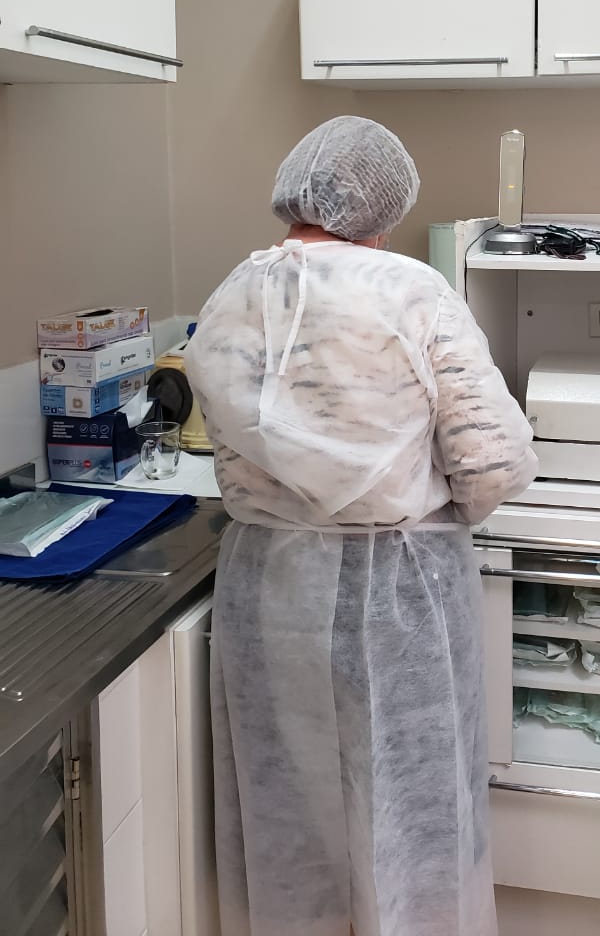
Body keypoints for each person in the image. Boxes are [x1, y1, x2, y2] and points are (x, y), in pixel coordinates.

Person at [185, 116, 537, 936]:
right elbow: (492, 463)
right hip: (402, 591)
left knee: (294, 810)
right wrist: (435, 512)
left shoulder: (229, 296)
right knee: (412, 814)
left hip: (270, 589)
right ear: (381, 210)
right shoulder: (411, 291)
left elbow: (233, 456)